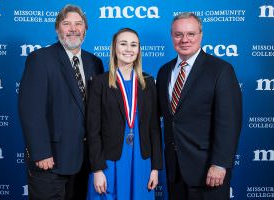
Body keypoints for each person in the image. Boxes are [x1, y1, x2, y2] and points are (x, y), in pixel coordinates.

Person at [18, 4, 104, 200]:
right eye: (66, 24)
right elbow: (31, 111)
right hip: (50, 160)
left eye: (78, 24)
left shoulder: (94, 62)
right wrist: (40, 153)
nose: (73, 29)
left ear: (85, 29)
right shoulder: (40, 59)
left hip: (83, 161)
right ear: (58, 29)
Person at [156, 12, 242, 200]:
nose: (184, 39)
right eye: (178, 34)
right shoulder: (164, 72)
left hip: (208, 171)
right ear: (172, 36)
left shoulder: (221, 70)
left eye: (191, 34)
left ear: (200, 36)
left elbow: (229, 122)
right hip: (175, 170)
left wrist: (220, 164)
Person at [86, 28, 162, 200]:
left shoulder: (148, 82)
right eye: (123, 44)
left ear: (138, 50)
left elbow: (154, 129)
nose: (129, 49)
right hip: (110, 163)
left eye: (133, 45)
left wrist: (155, 168)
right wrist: (97, 169)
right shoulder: (100, 83)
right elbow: (93, 130)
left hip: (141, 162)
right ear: (114, 48)